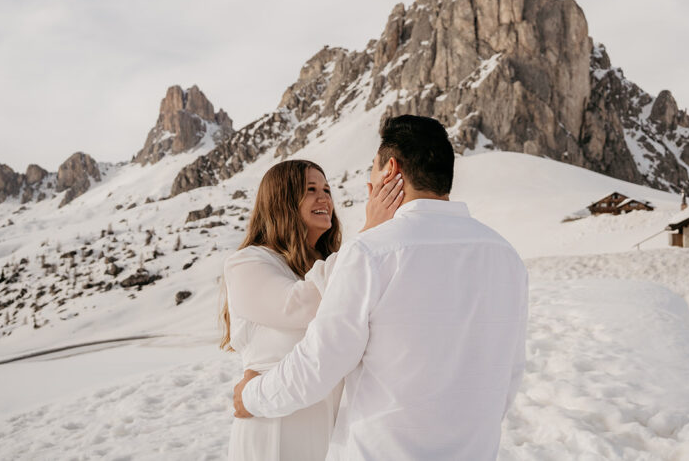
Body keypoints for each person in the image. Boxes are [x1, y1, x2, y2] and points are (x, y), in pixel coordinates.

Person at [233, 115, 529, 460]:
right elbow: (510, 372)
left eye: (373, 171)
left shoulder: (373, 252)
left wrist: (251, 397)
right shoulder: (506, 256)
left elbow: (320, 361)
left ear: (390, 169)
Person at [222, 159, 404, 461]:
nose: (324, 198)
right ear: (281, 199)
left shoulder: (331, 263)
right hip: (275, 428)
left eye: (327, 189)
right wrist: (369, 233)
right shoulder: (247, 263)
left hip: (330, 429)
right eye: (310, 189)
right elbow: (298, 306)